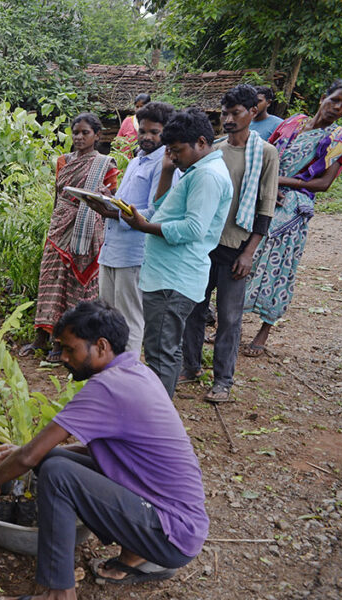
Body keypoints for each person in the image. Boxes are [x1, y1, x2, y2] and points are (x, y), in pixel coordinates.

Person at [0, 300, 208, 600]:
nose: (64, 358)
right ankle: (135, 557)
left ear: (101, 346)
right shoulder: (135, 372)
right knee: (53, 461)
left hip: (170, 533)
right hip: (175, 523)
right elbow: (106, 448)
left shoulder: (107, 388)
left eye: (69, 349)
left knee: (56, 474)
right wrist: (33, 454)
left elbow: (29, 457)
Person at [118, 107, 233, 398]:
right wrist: (168, 171)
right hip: (165, 274)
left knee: (160, 354)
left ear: (202, 143)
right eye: (169, 150)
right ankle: (157, 411)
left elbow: (194, 228)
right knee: (161, 348)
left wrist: (145, 227)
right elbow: (164, 207)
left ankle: (156, 418)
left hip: (174, 278)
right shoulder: (193, 171)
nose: (173, 156)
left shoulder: (207, 176)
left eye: (177, 150)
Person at [180, 85, 279, 402]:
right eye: (224, 113)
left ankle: (223, 379)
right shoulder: (215, 150)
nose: (228, 119)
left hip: (236, 247)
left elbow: (265, 207)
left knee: (230, 317)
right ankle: (190, 365)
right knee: (194, 309)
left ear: (252, 112)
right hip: (205, 243)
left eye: (235, 113)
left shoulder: (265, 153)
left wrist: (249, 251)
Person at [243, 79, 342, 357]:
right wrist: (263, 184)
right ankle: (230, 323)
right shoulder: (293, 122)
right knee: (245, 256)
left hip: (293, 207)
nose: (338, 108)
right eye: (335, 100)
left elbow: (324, 183)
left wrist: (276, 182)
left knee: (280, 265)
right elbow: (263, 154)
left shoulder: (341, 138)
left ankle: (264, 329)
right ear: (322, 97)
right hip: (260, 196)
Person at [20, 113, 118, 361]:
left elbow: (109, 203)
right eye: (76, 132)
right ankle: (42, 337)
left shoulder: (105, 164)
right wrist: (56, 222)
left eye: (85, 133)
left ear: (97, 135)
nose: (79, 137)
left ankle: (64, 342)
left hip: (87, 230)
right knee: (50, 281)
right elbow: (58, 197)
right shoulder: (63, 161)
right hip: (59, 227)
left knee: (75, 284)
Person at [91, 101, 176, 351]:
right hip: (112, 249)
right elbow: (128, 202)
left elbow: (156, 212)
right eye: (143, 131)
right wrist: (109, 199)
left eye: (154, 132)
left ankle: (127, 376)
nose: (147, 137)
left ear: (166, 132)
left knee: (129, 319)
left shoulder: (166, 166)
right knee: (107, 316)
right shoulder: (138, 160)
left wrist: (114, 213)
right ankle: (110, 370)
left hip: (134, 253)